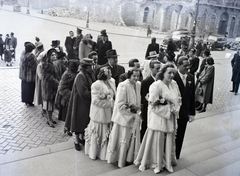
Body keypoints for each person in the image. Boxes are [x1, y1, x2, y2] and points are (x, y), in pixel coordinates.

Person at [134, 64, 181, 173]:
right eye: (169, 72)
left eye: (173, 73)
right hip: (159, 119)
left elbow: (178, 98)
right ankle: (158, 163)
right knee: (159, 142)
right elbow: (152, 105)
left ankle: (168, 162)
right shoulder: (156, 85)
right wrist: (168, 110)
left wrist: (176, 109)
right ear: (163, 73)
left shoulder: (174, 84)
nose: (172, 75)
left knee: (170, 140)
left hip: (171, 118)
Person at [106, 68, 142, 168]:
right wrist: (130, 113)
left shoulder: (138, 84)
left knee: (131, 139)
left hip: (134, 116)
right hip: (123, 118)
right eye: (134, 76)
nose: (136, 78)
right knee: (123, 139)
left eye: (137, 76)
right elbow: (120, 104)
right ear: (129, 76)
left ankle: (129, 158)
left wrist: (138, 111)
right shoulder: (123, 85)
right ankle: (120, 160)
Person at [85, 67, 116, 160]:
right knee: (98, 134)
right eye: (109, 73)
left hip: (110, 112)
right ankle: (96, 153)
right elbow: (95, 101)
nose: (111, 75)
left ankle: (106, 153)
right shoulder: (96, 85)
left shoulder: (112, 81)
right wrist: (109, 103)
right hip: (99, 114)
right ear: (105, 74)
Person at [65, 58, 96, 150]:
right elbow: (83, 92)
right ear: (86, 67)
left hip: (85, 103)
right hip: (79, 103)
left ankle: (81, 139)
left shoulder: (89, 74)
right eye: (91, 66)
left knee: (82, 122)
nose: (92, 68)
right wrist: (94, 94)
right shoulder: (80, 76)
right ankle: (76, 141)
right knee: (77, 123)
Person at [174, 56, 195, 159]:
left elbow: (192, 96)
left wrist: (192, 113)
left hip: (184, 112)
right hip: (173, 112)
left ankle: (176, 155)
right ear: (178, 65)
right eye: (185, 65)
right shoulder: (173, 76)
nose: (188, 67)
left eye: (188, 65)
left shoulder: (191, 77)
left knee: (181, 134)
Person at [140, 60, 161, 140]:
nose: (159, 71)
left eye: (160, 69)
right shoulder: (146, 82)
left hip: (159, 111)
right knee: (145, 130)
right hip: (148, 111)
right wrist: (152, 102)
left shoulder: (162, 81)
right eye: (157, 69)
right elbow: (142, 99)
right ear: (151, 69)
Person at [41, 49, 59, 128]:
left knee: (51, 104)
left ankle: (50, 118)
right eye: (52, 55)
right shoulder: (47, 65)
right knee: (49, 104)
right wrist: (57, 82)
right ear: (48, 56)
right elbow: (49, 77)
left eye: (55, 55)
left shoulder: (52, 64)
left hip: (52, 86)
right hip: (48, 87)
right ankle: (49, 120)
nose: (54, 56)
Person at [19, 42, 37, 106]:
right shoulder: (31, 56)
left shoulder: (23, 54)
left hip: (24, 75)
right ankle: (30, 101)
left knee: (24, 89)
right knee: (30, 89)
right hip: (30, 76)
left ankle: (25, 100)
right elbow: (34, 66)